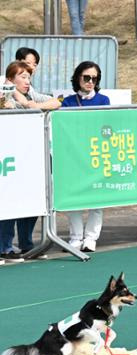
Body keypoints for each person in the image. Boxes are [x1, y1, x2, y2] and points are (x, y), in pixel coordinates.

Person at [0, 61, 60, 263]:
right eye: (23, 77)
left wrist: (32, 105)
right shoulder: (4, 96)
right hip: (9, 159)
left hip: (31, 157)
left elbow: (56, 102)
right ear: (10, 79)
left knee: (31, 200)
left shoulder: (31, 94)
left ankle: (27, 243)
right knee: (8, 201)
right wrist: (16, 103)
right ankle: (4, 246)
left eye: (29, 77)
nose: (27, 81)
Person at [60, 61, 110, 252]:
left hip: (97, 154)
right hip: (74, 156)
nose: (90, 81)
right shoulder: (68, 101)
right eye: (86, 77)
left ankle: (91, 238)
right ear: (78, 78)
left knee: (97, 200)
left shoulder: (103, 100)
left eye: (94, 78)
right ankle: (75, 238)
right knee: (75, 199)